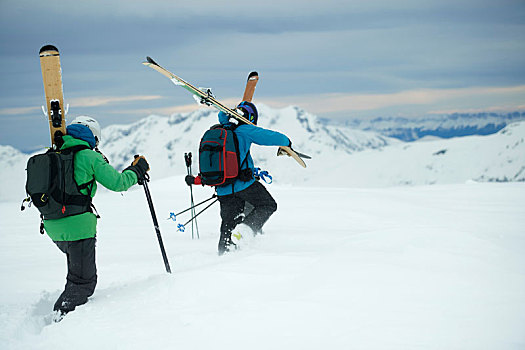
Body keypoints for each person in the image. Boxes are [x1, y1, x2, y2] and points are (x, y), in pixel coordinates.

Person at [43, 116, 150, 320]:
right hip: (78, 227)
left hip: (53, 226)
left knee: (77, 274)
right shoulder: (88, 157)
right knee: (82, 283)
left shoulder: (54, 154)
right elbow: (118, 183)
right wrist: (137, 170)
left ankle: (64, 318)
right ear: (92, 136)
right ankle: (58, 323)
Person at [185, 102, 291, 255]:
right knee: (267, 205)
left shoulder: (221, 129)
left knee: (228, 224)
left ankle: (223, 255)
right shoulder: (244, 130)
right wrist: (287, 142)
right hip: (243, 184)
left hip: (223, 188)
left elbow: (222, 118)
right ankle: (246, 230)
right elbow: (269, 137)